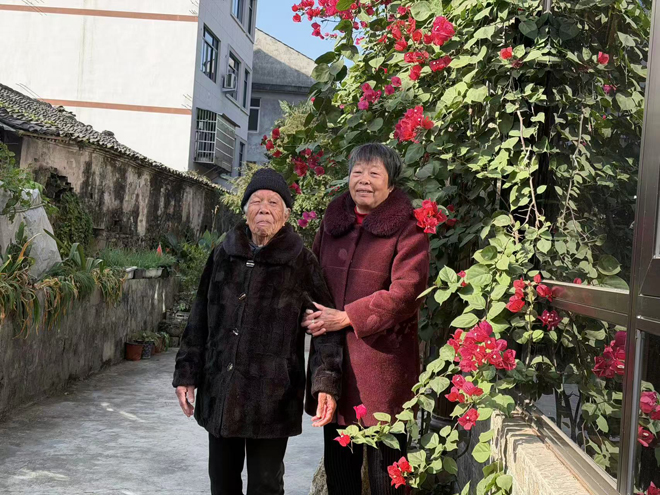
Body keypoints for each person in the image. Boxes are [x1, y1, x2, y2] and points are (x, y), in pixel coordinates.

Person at [173, 168, 344, 495]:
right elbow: (199, 317)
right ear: (245, 210)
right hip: (221, 392)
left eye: (273, 202)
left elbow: (325, 326)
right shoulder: (223, 253)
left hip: (272, 398)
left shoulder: (300, 261)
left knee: (266, 484)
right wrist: (186, 373)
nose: (264, 208)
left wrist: (325, 383)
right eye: (256, 201)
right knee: (222, 482)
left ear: (286, 214)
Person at [303, 143, 430, 494]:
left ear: (391, 184)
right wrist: (311, 314)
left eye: (374, 173)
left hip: (382, 372)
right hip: (334, 368)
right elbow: (310, 280)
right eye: (357, 172)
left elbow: (407, 292)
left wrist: (347, 317)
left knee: (387, 475)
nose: (364, 180)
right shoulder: (332, 224)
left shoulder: (408, 229)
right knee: (340, 470)